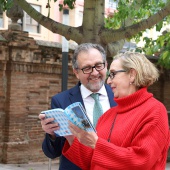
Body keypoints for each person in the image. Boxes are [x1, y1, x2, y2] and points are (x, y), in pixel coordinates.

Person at [62, 52, 170, 170]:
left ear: (132, 75)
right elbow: (92, 161)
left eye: (112, 74)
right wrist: (71, 136)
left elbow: (141, 161)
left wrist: (96, 144)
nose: (108, 81)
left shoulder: (155, 111)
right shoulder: (108, 115)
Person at [39, 43, 117, 170]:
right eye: (87, 68)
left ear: (106, 66)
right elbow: (52, 153)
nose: (95, 73)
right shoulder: (61, 101)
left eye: (98, 65)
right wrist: (51, 135)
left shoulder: (120, 97)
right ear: (76, 72)